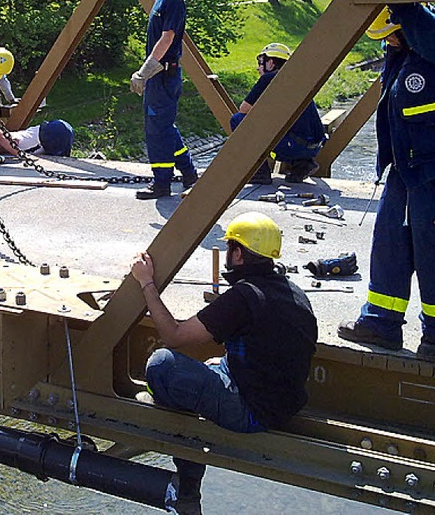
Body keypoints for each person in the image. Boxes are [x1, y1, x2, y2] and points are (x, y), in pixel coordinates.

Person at [130, 211, 317, 514]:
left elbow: (174, 336)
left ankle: (187, 483)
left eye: (230, 247)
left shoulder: (243, 298)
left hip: (251, 412)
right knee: (217, 359)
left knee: (162, 364)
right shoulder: (293, 292)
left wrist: (146, 283)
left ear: (238, 253)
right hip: (286, 403)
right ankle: (188, 484)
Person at [338, 3, 435, 363]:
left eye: (391, 34)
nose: (388, 42)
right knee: (390, 243)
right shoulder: (402, 46)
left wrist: (404, 3)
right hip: (406, 164)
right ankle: (381, 323)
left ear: (408, 23)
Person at [130, 0, 198, 200]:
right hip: (159, 75)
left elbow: (167, 38)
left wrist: (144, 72)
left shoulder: (174, 2)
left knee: (157, 130)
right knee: (163, 127)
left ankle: (162, 183)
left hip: (163, 74)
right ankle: (188, 172)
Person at [231, 43, 326, 185]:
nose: (258, 67)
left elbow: (244, 109)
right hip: (313, 148)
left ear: (270, 62)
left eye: (260, 62)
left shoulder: (269, 78)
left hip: (292, 147)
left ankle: (259, 173)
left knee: (237, 120)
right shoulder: (299, 81)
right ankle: (302, 165)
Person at [0, 119, 74, 157]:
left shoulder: (25, 143)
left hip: (43, 137)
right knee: (63, 145)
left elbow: (14, 141)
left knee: (60, 145)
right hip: (43, 130)